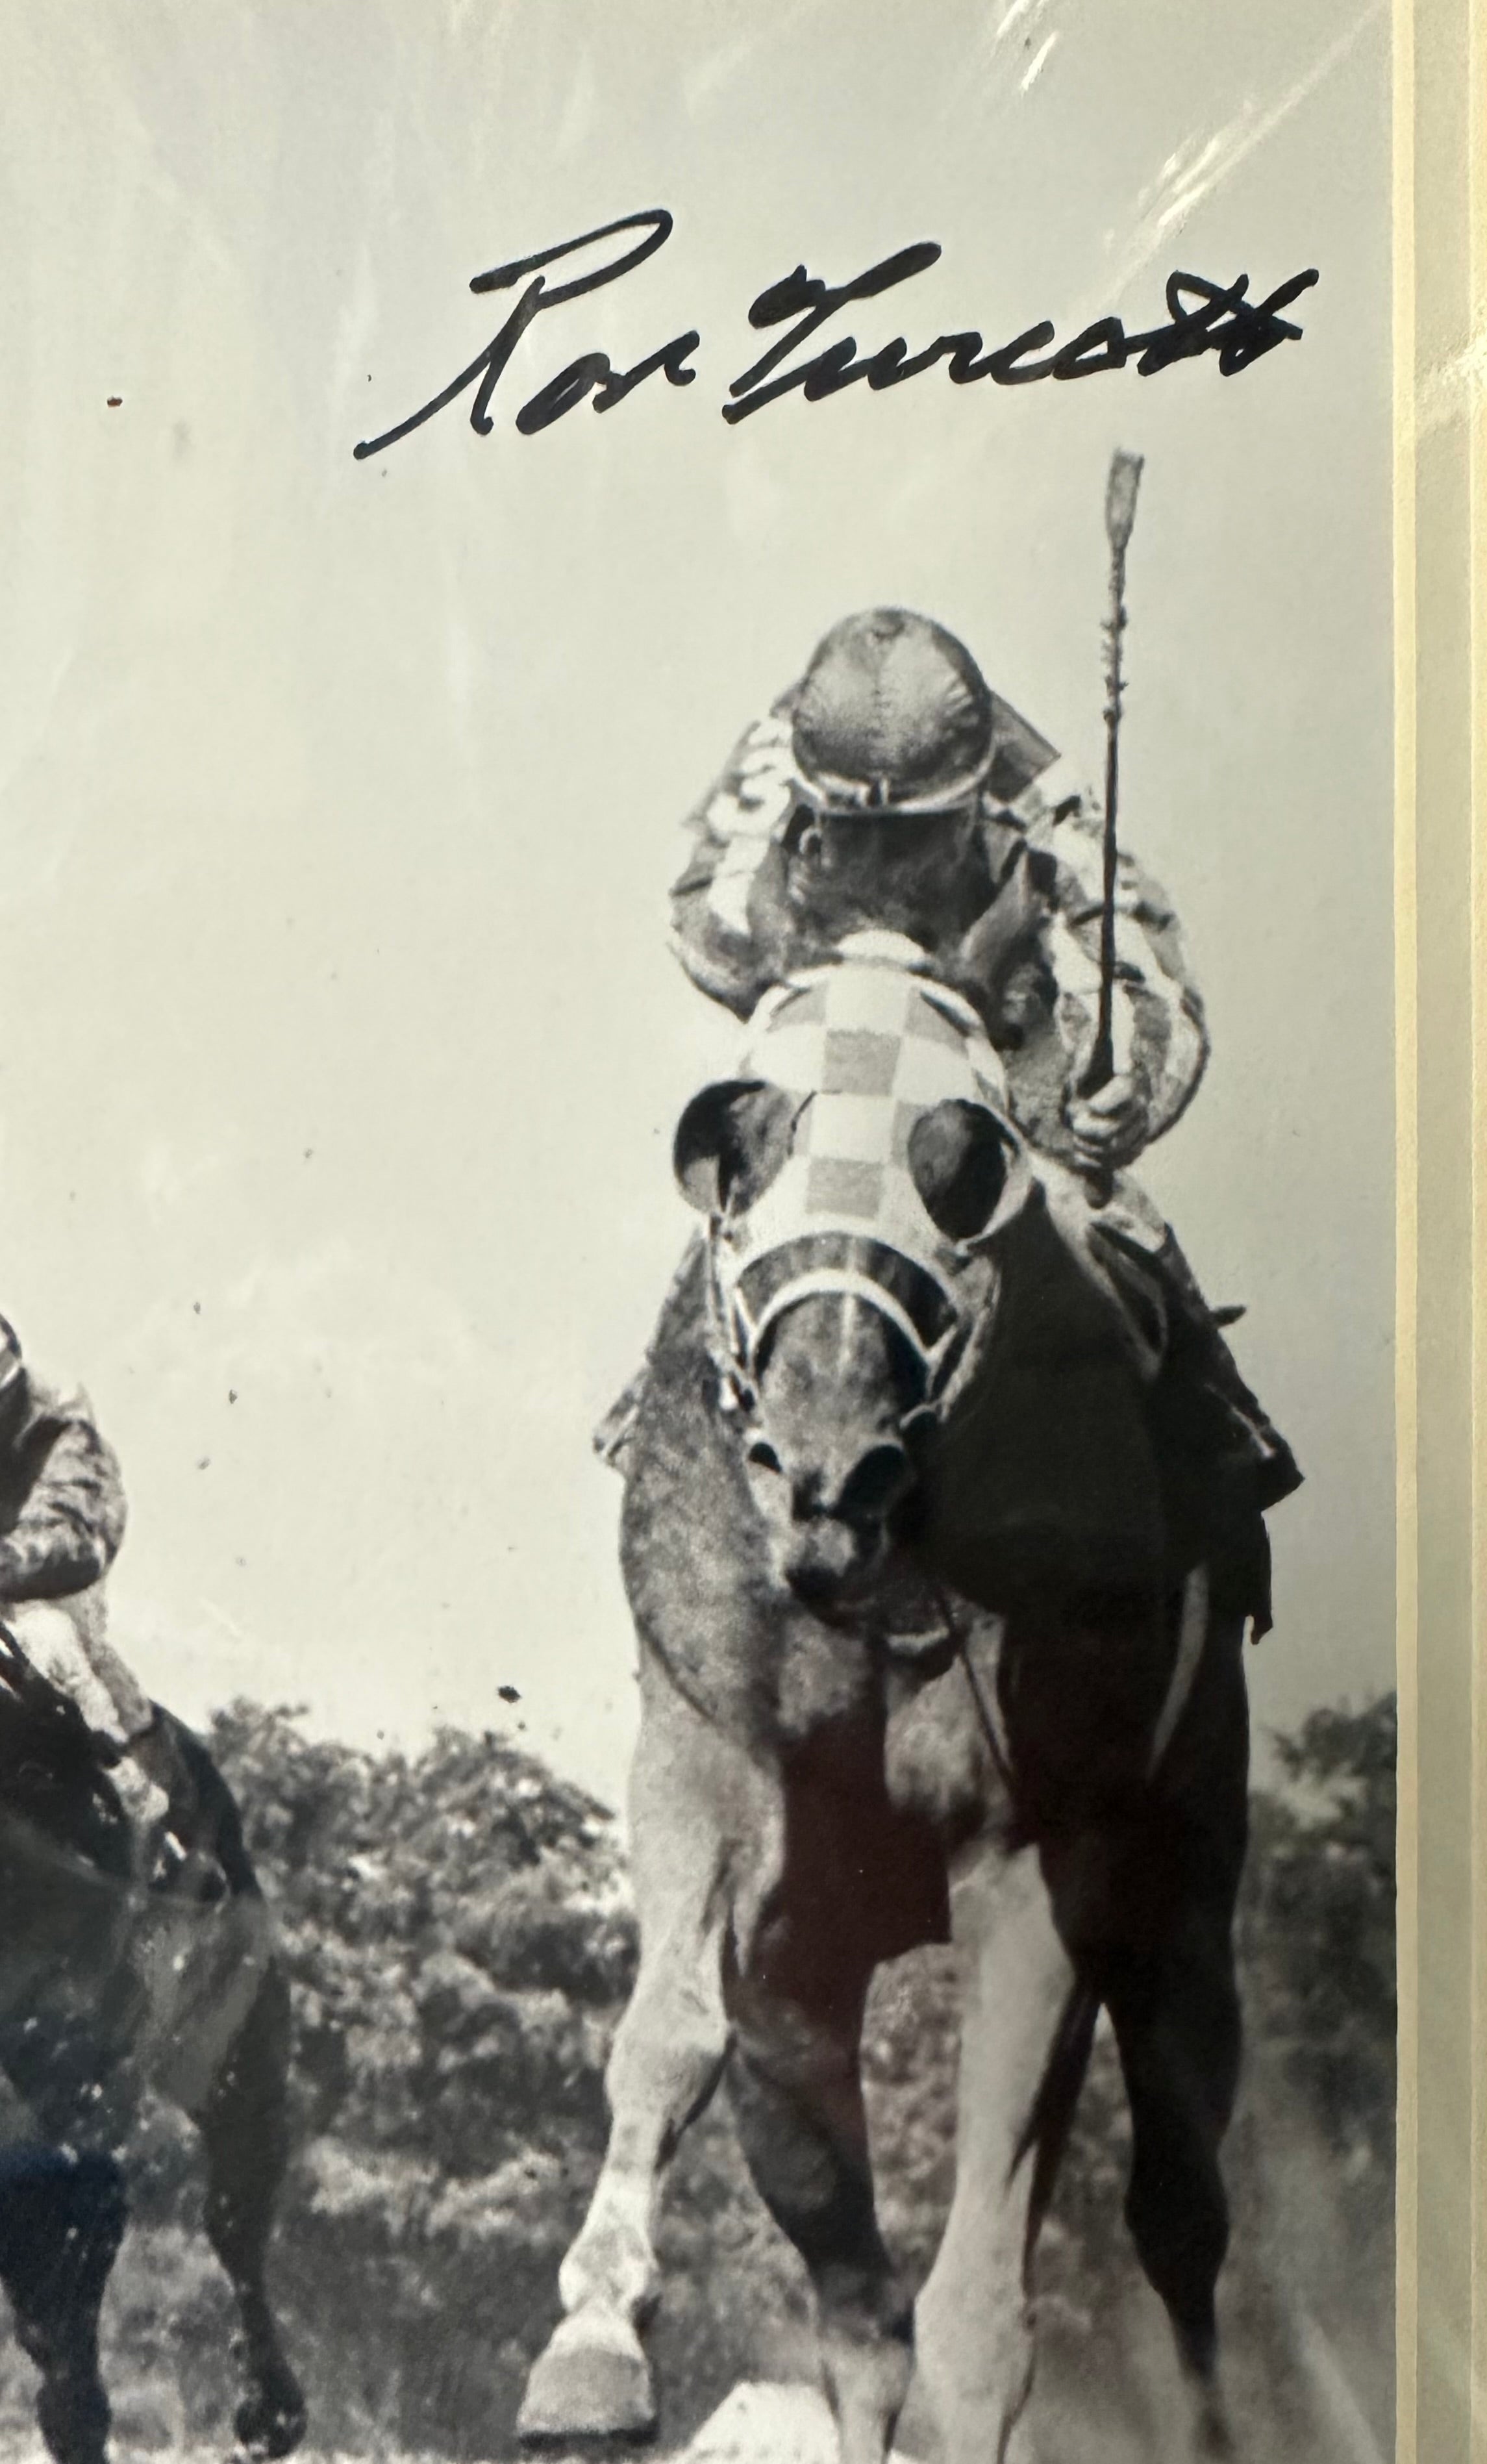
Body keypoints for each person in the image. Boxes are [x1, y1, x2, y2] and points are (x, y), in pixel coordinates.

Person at [606, 607, 1299, 1605]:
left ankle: (1213, 1421)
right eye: (857, 831)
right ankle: (658, 1414)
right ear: (814, 794)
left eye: (916, 833)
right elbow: (699, 902)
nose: (885, 852)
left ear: (969, 797)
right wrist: (810, 978)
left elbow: (1141, 967)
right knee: (752, 1197)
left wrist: (1120, 1086)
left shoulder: (1043, 800)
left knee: (1094, 1211)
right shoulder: (775, 758)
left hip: (1000, 1056)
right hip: (825, 1026)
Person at [0, 1317, 189, 1863]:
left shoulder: (58, 1424)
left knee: (54, 1638)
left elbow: (75, 1539)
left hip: (50, 1563)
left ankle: (140, 1806)